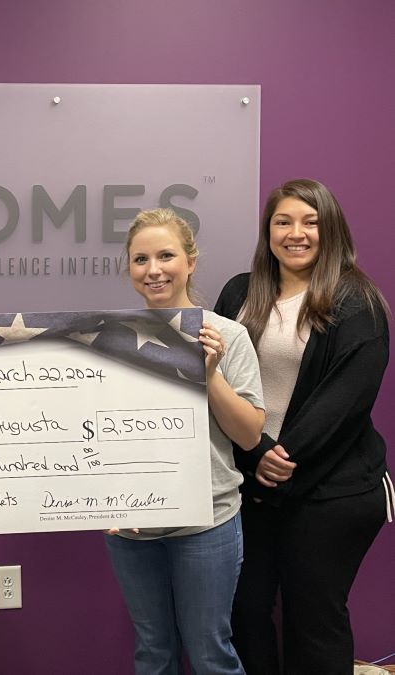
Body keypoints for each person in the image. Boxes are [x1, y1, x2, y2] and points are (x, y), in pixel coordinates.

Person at [215, 179, 393, 675]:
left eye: (310, 222)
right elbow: (216, 380)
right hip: (254, 480)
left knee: (312, 619)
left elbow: (345, 401)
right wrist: (257, 456)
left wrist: (281, 454)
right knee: (245, 613)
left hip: (332, 490)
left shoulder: (358, 303)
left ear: (330, 229)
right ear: (267, 231)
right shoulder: (239, 291)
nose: (296, 233)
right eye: (283, 221)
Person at [105, 208, 265, 675]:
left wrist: (210, 373)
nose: (153, 270)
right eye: (141, 260)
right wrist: (98, 497)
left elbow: (249, 433)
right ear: (130, 268)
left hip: (208, 521)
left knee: (211, 653)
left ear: (191, 262)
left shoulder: (228, 336)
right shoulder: (107, 339)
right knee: (153, 654)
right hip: (132, 527)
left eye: (166, 255)